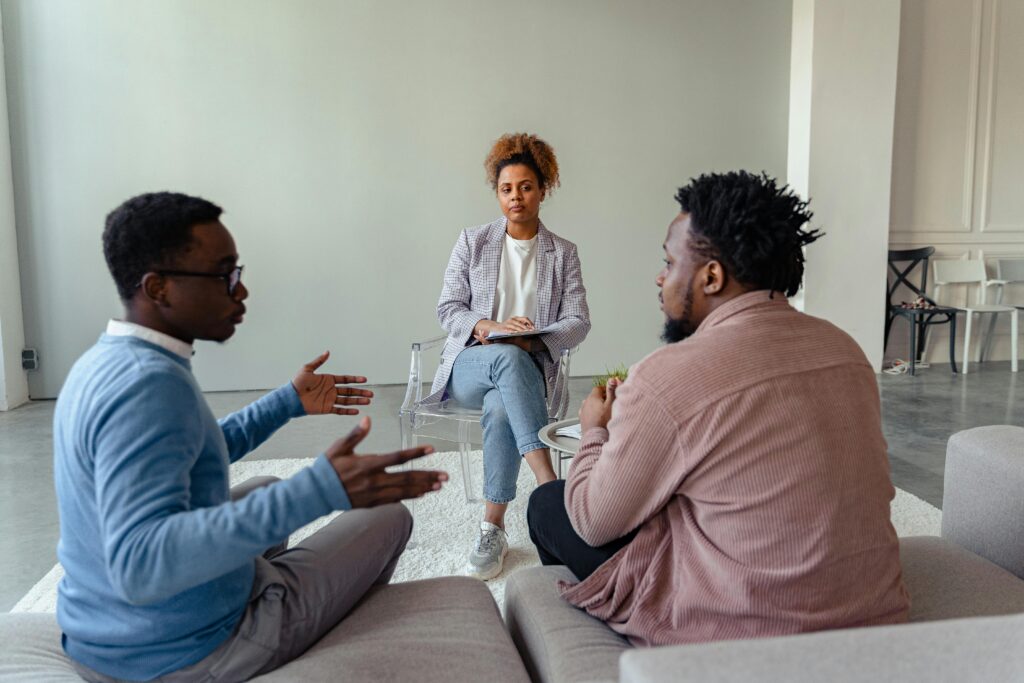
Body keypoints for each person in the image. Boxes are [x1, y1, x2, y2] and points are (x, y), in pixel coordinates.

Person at [54, 192, 448, 682]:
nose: (240, 292)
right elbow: (140, 565)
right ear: (157, 288)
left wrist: (286, 403)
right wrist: (318, 490)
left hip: (101, 632)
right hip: (181, 655)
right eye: (224, 276)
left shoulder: (108, 360)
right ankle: (297, 636)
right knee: (389, 517)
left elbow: (191, 454)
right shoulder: (149, 385)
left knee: (261, 488)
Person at [527, 171, 909, 645]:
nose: (660, 278)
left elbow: (594, 521)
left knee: (549, 503)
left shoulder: (667, 375)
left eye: (669, 262)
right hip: (872, 618)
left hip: (744, 633)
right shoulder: (845, 350)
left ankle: (598, 646)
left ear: (711, 276)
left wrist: (594, 432)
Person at [428, 132, 590, 580]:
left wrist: (531, 341)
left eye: (525, 187)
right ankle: (550, 485)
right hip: (471, 363)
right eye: (506, 189)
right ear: (497, 193)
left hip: (527, 371)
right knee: (504, 359)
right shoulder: (472, 241)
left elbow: (578, 320)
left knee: (503, 404)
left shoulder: (564, 254)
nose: (515, 197)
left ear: (543, 189)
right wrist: (490, 328)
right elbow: (449, 308)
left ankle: (491, 527)